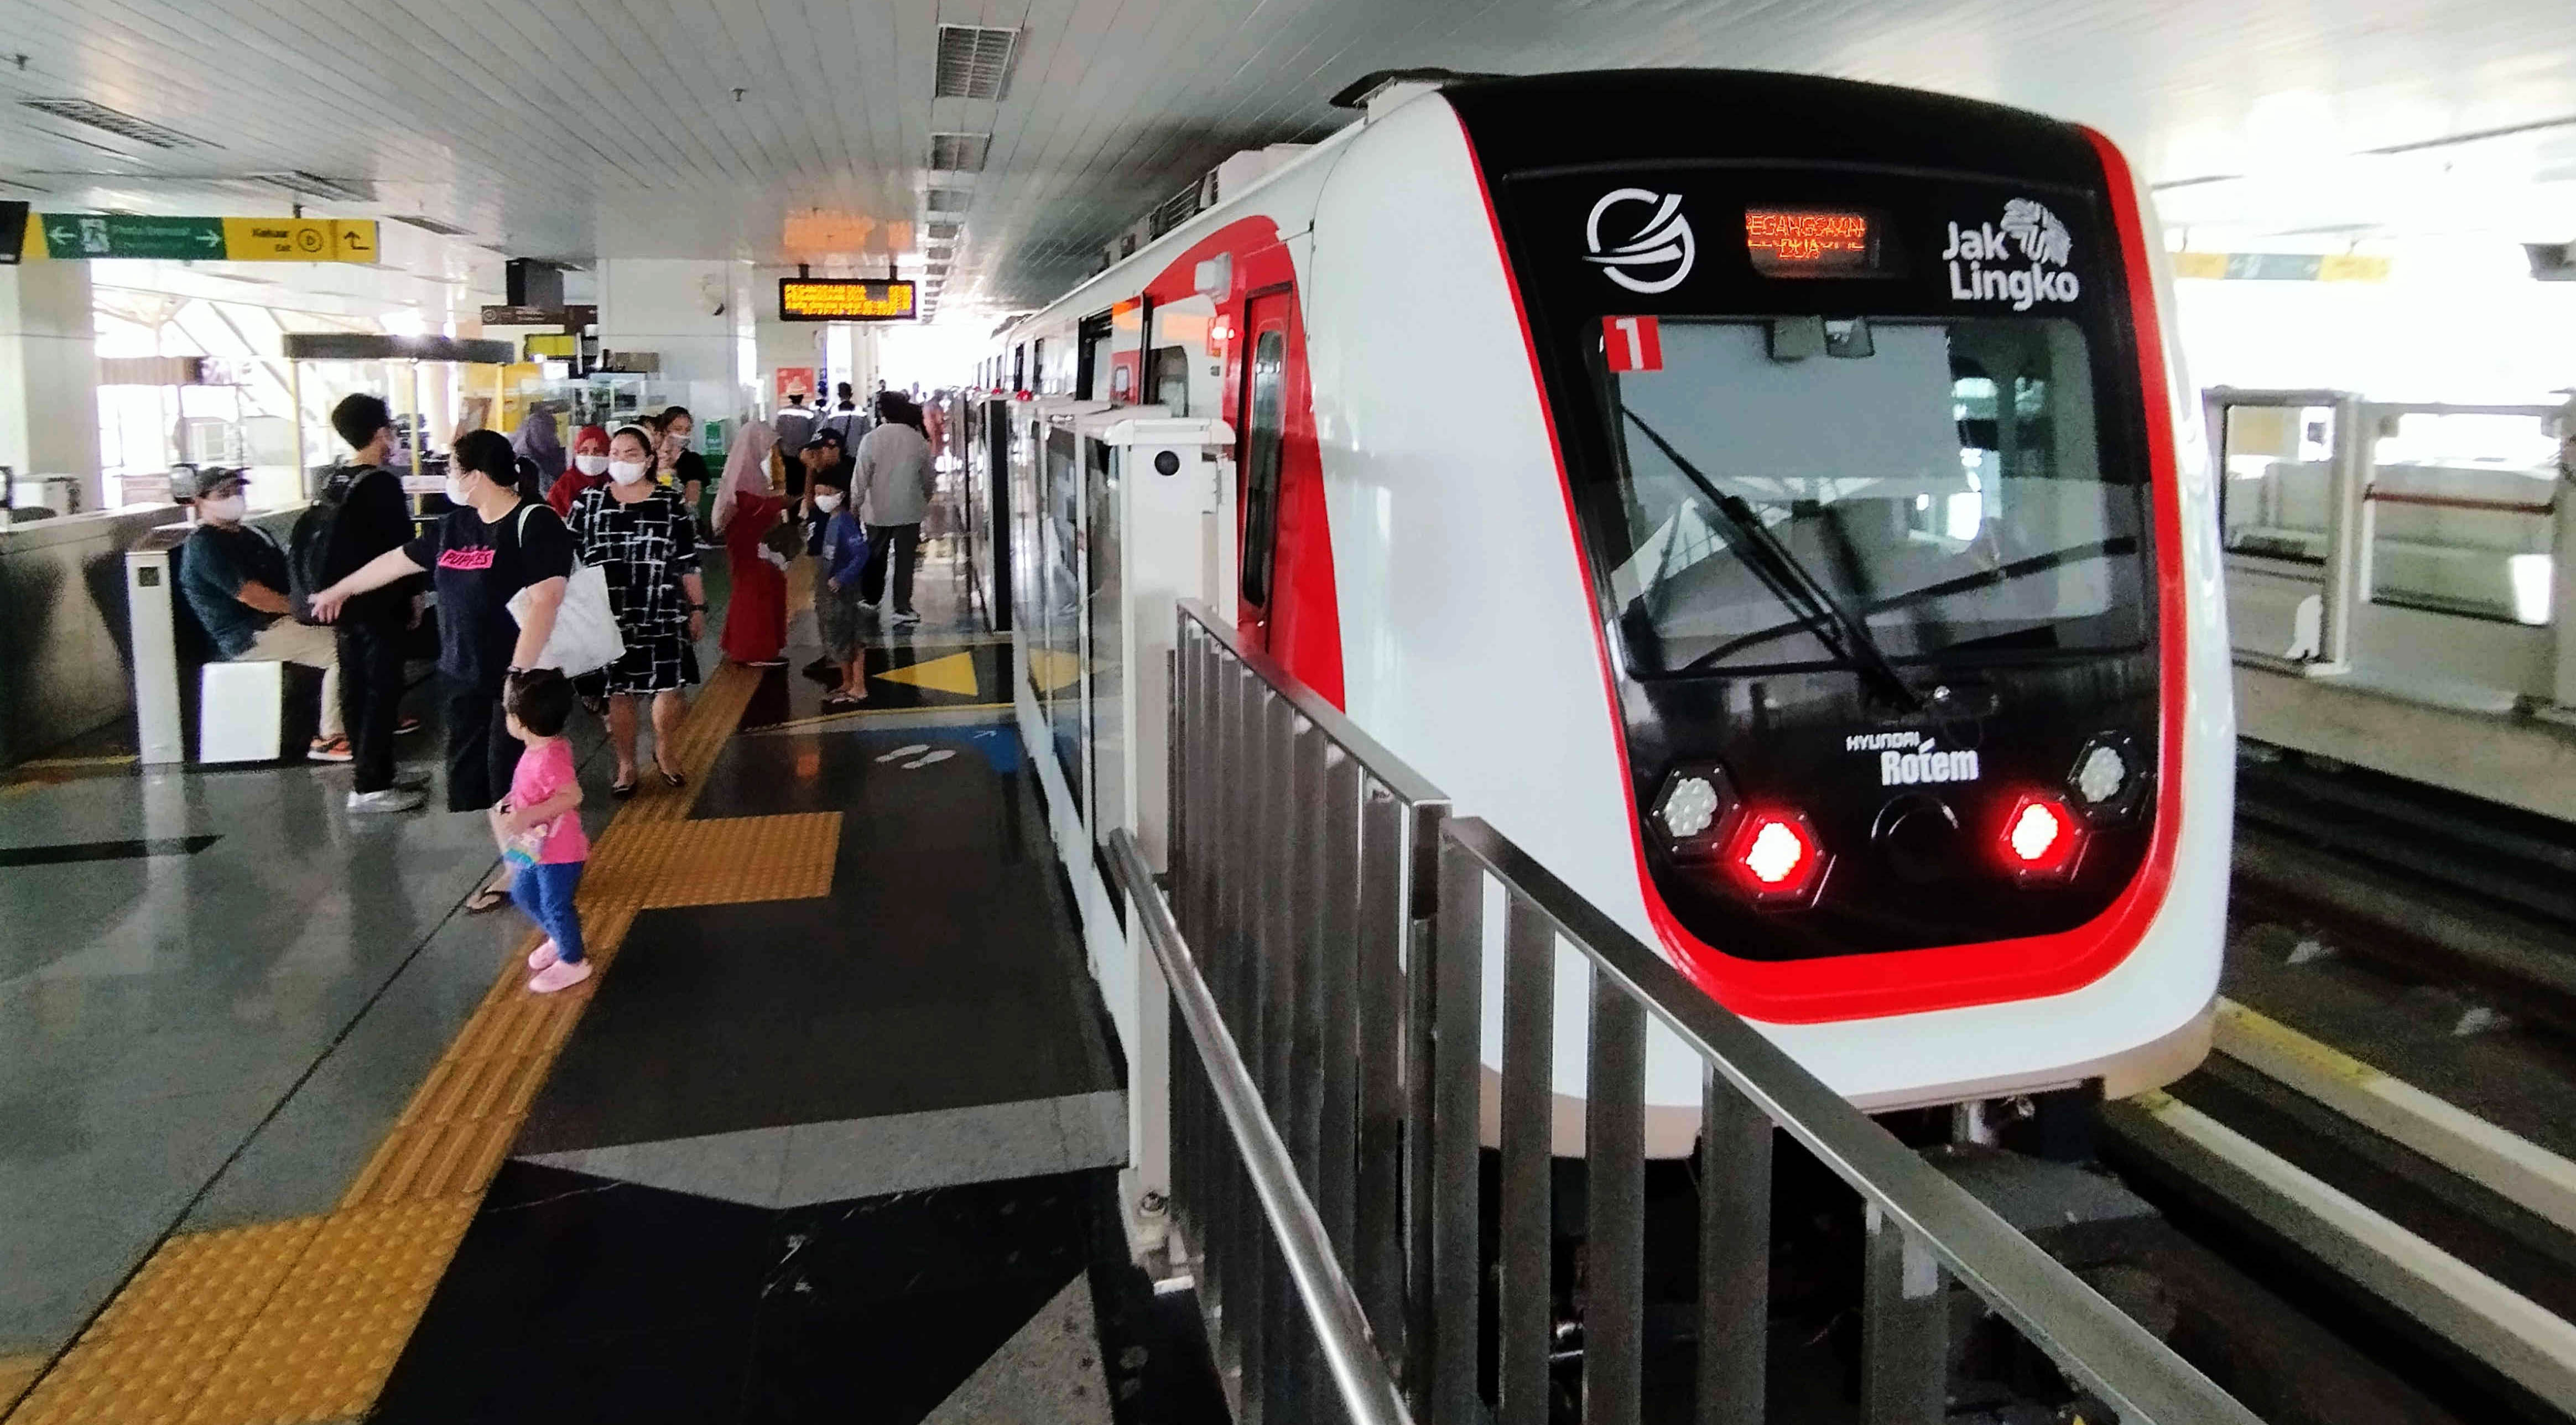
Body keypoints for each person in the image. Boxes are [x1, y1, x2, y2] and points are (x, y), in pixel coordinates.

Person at [311, 430, 571, 909]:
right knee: (488, 786)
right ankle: (524, 869)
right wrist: (340, 590)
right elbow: (396, 562)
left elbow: (546, 601)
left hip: (517, 679)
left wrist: (517, 675)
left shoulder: (535, 523)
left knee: (515, 783)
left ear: (475, 475)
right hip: (463, 673)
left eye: (451, 468)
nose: (447, 477)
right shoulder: (456, 526)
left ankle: (525, 875)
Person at [177, 469, 360, 771]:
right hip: (249, 634)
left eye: (237, 491)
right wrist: (308, 612)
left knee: (360, 631)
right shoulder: (205, 546)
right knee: (341, 649)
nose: (234, 498)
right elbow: (253, 596)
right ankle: (330, 736)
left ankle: (364, 717)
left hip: (276, 624)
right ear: (199, 502)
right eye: (223, 494)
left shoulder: (251, 535)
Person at [569, 424, 707, 795]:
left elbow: (687, 561)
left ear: (648, 460)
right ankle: (626, 764)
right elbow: (569, 558)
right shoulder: (588, 502)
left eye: (630, 454)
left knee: (669, 689)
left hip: (662, 607)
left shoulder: (669, 502)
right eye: (614, 453)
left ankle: (664, 748)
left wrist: (697, 607)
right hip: (610, 613)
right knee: (619, 691)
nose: (620, 460)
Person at [316, 394, 430, 808]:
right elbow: (402, 549)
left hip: (342, 603)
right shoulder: (380, 483)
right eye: (391, 428)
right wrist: (416, 595)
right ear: (381, 432)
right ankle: (371, 786)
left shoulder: (333, 480)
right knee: (381, 690)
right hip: (379, 604)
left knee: (355, 686)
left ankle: (375, 772)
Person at [492, 667, 592, 994]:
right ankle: (559, 936)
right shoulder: (539, 749)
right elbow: (531, 787)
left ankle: (573, 961)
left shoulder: (552, 757)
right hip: (533, 844)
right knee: (524, 893)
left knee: (555, 904)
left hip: (559, 852)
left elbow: (572, 796)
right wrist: (513, 801)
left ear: (521, 722)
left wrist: (529, 814)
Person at [854, 392, 936, 627]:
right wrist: (924, 499)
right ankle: (902, 607)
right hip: (909, 510)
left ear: (882, 413)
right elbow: (928, 477)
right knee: (905, 560)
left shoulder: (871, 439)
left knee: (875, 556)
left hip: (877, 512)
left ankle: (871, 599)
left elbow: (860, 476)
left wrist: (855, 505)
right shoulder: (917, 440)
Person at [711, 422, 790, 667]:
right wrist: (784, 503)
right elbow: (750, 506)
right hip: (748, 549)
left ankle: (740, 644)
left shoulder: (748, 471)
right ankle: (754, 650)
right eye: (767, 447)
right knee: (755, 593)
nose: (770, 453)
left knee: (754, 589)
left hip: (752, 547)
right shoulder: (744, 477)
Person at [811, 466, 871, 710]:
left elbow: (861, 553)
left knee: (851, 637)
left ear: (840, 494)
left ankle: (859, 686)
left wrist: (842, 578)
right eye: (818, 491)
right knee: (838, 637)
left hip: (844, 591)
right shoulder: (833, 520)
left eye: (826, 491)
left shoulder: (845, 522)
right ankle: (847, 682)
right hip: (833, 589)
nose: (820, 496)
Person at [546, 424, 612, 517]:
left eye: (597, 451)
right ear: (577, 453)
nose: (591, 456)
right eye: (584, 451)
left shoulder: (615, 484)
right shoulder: (563, 487)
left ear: (607, 453)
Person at [653, 405, 711, 509]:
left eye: (687, 430)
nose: (683, 434)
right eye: (678, 429)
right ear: (665, 431)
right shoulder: (650, 459)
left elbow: (692, 498)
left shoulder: (693, 460)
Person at [772, 392, 815, 500]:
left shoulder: (782, 413)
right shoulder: (809, 414)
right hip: (803, 452)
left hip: (787, 452)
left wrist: (780, 450)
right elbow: (813, 433)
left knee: (790, 477)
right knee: (802, 478)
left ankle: (791, 504)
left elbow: (778, 433)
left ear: (791, 398)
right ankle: (801, 503)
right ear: (801, 399)